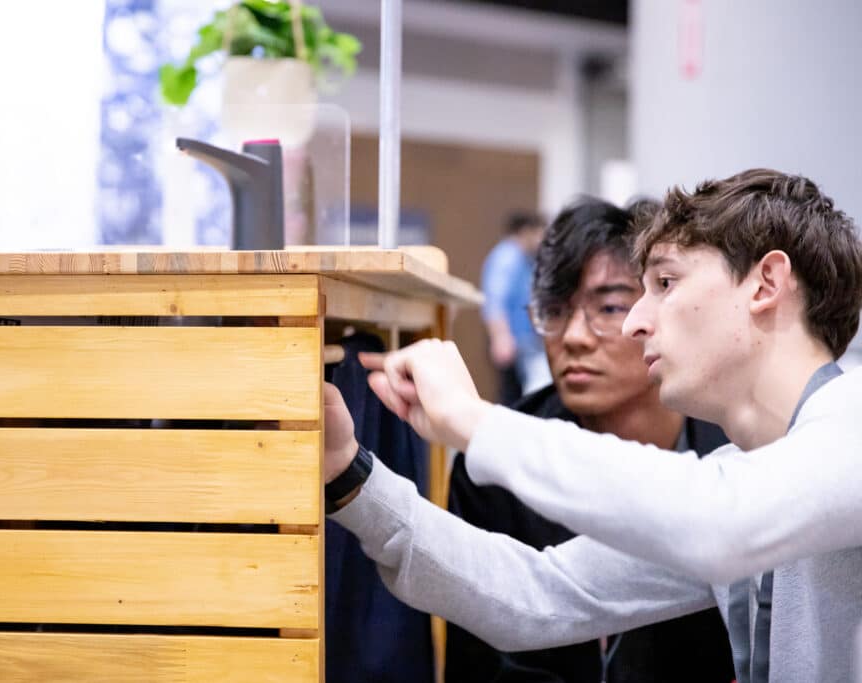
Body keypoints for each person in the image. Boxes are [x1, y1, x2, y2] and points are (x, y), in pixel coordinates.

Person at [321, 169, 862, 682]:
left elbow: (719, 522)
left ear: (766, 283)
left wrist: (475, 420)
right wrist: (352, 475)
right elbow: (536, 595)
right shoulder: (745, 476)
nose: (635, 321)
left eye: (666, 283)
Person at [446, 197, 733, 683]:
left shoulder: (731, 457)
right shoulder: (499, 463)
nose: (574, 337)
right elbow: (478, 657)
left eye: (607, 307)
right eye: (555, 310)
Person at [481, 210, 546, 404]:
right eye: (539, 232)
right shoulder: (507, 257)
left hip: (523, 341)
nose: (541, 239)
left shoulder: (525, 258)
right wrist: (501, 337)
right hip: (511, 340)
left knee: (520, 394)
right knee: (511, 396)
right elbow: (494, 301)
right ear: (526, 231)